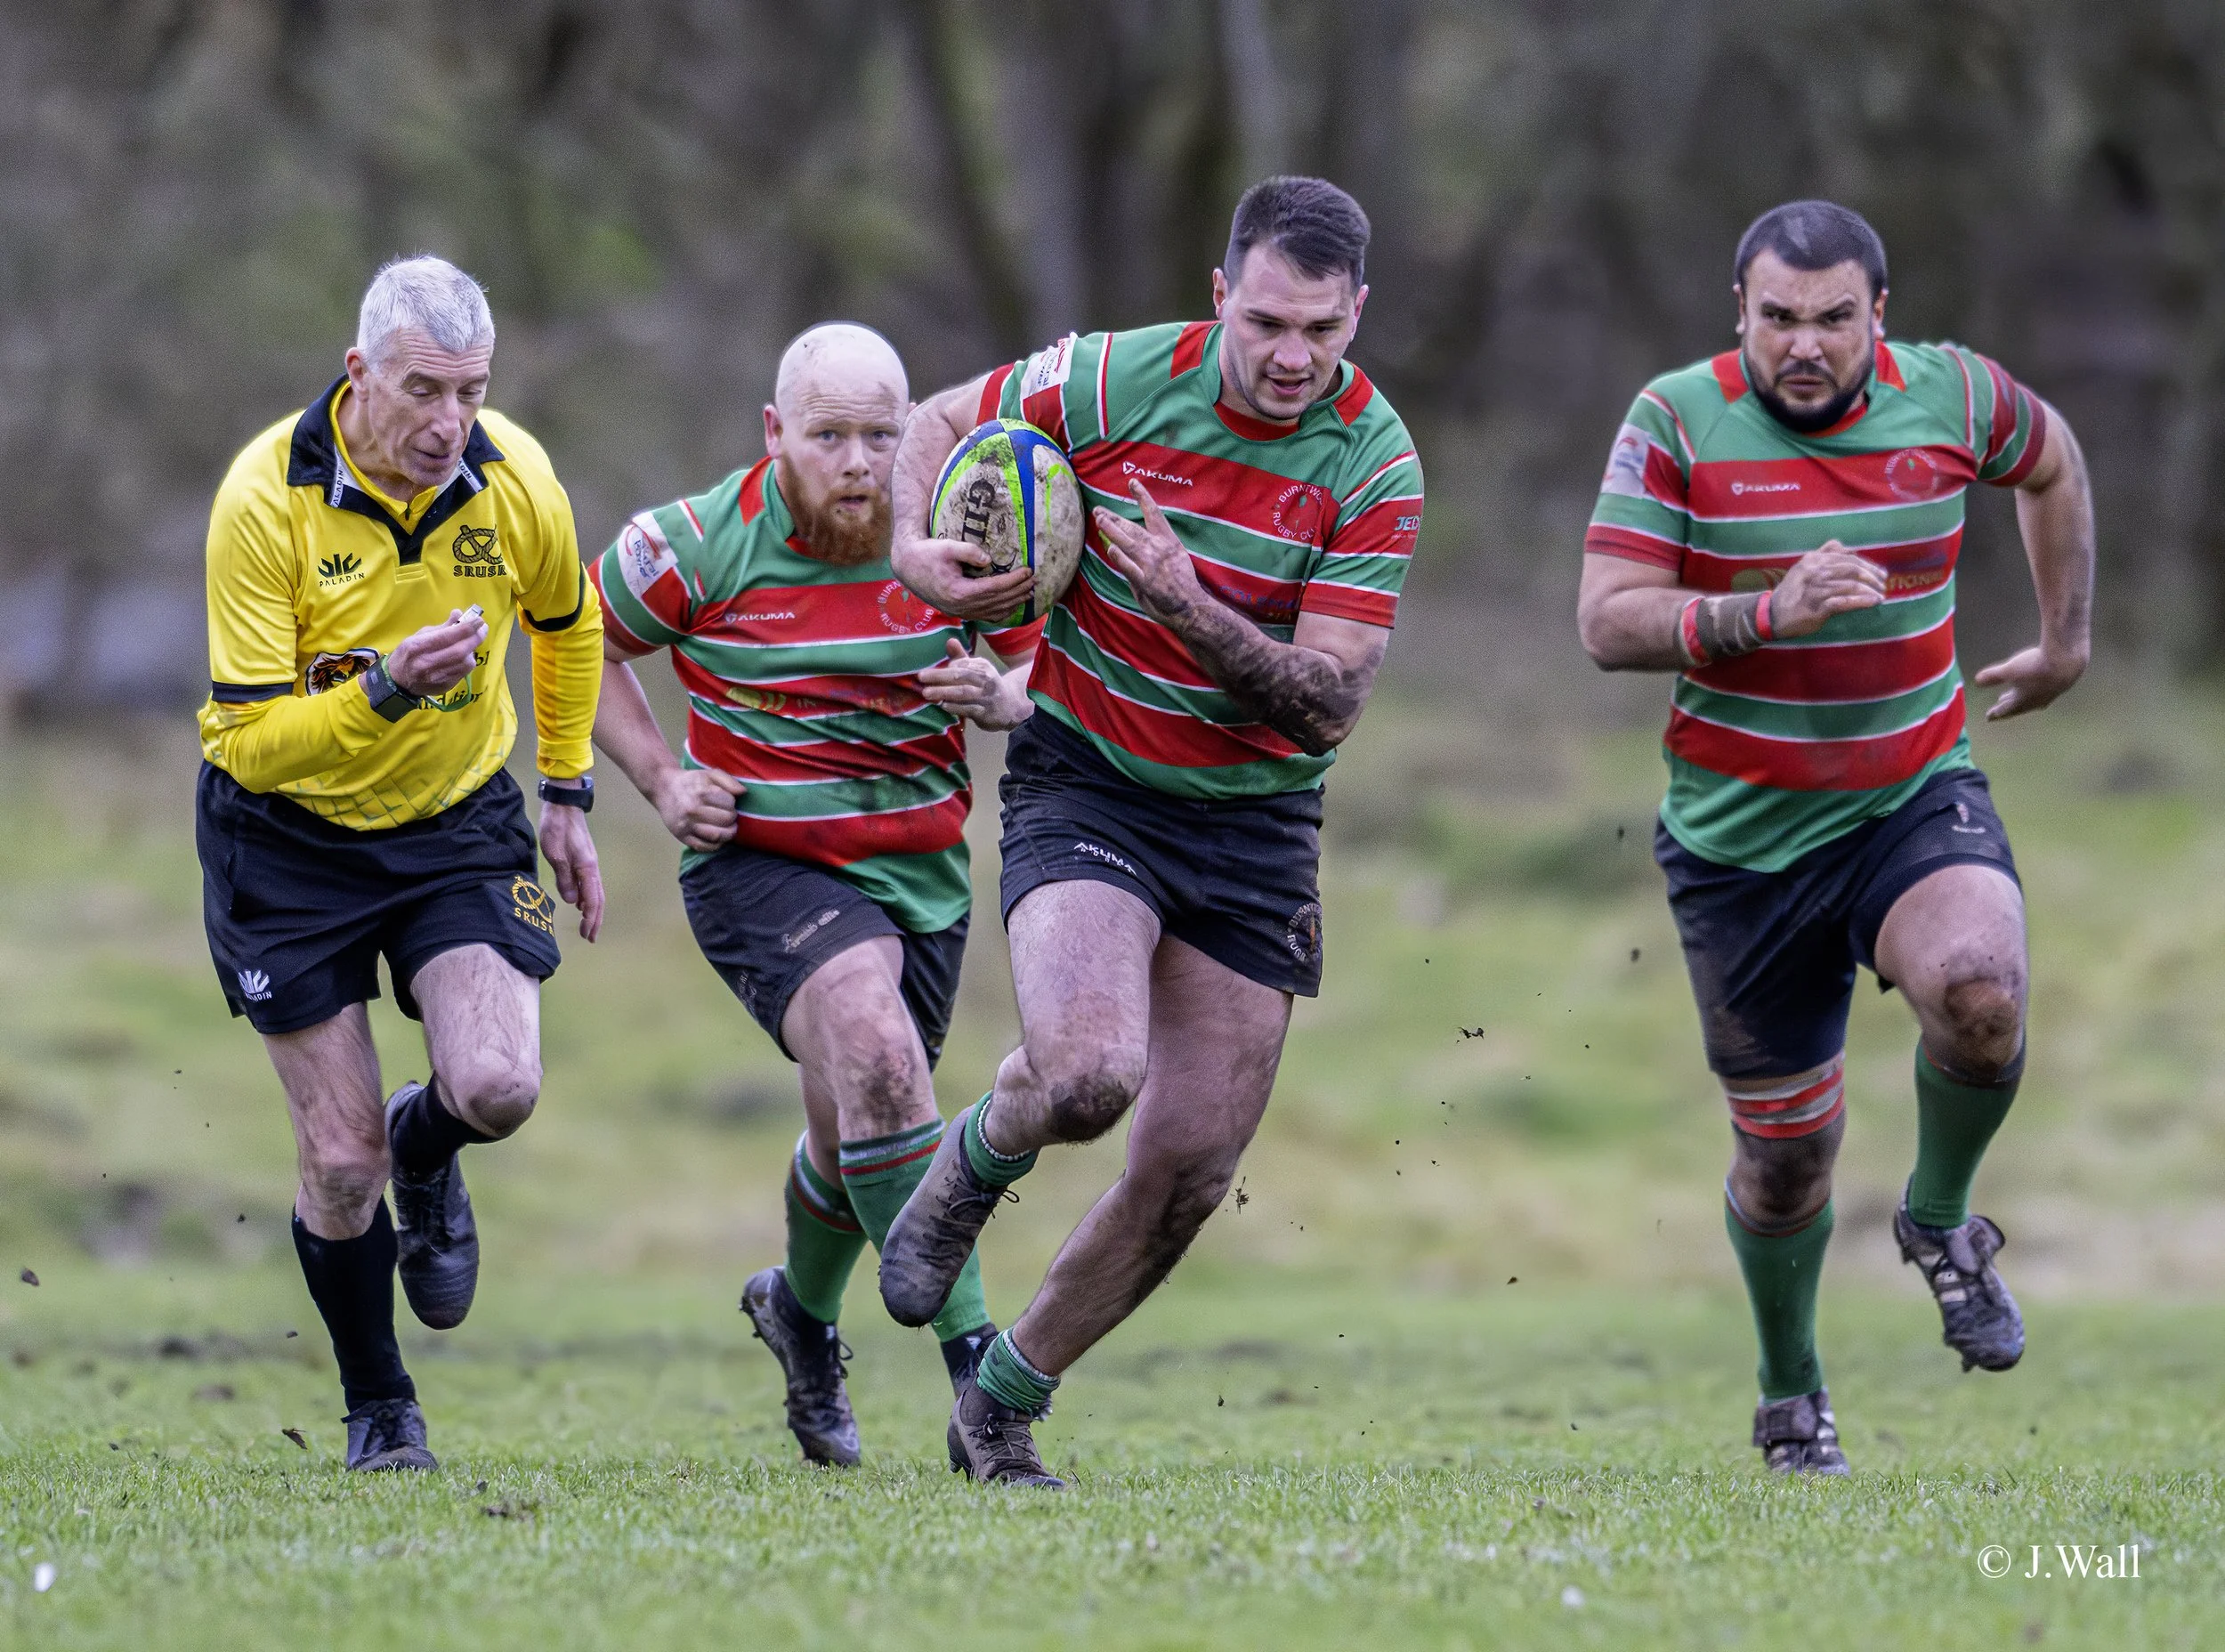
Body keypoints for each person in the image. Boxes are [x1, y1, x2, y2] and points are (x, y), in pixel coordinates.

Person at [874, 176, 1423, 1486]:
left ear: (1357, 314)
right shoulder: (1109, 381)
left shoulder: (1374, 461)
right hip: (1092, 777)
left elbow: (1327, 703)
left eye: (1321, 331)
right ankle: (973, 1161)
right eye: (1267, 323)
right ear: (1222, 295)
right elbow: (939, 420)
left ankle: (1002, 1402)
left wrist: (1187, 605)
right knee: (1086, 1075)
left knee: (1188, 1166)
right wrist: (909, 544)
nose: (1291, 357)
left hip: (1257, 821)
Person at [1576, 199, 2094, 1473]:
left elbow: (2054, 461)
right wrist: (1764, 611)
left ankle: (1938, 1219)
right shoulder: (1673, 419)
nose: (1803, 344)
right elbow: (1606, 619)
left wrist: (2065, 639)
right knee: (1787, 1163)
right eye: (1778, 318)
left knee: (1981, 992)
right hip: (1738, 842)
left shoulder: (1954, 397)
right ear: (1739, 312)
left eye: (1832, 319)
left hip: (1908, 792)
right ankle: (1790, 1395)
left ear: (1880, 315)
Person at [589, 323, 1042, 1466]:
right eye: (827, 435)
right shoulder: (693, 545)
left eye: (880, 437)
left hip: (921, 877)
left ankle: (798, 1311)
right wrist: (661, 780)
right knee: (878, 1056)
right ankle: (979, 1377)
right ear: (774, 431)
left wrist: (1005, 694)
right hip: (760, 864)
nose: (856, 462)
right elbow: (572, 641)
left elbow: (1043, 655)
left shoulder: (962, 529)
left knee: (861, 1132)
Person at [197, 255, 605, 1470]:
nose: (449, 422)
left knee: (499, 1087)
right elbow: (246, 743)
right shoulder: (264, 499)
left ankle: (426, 1151)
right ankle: (380, 1406)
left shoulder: (514, 476)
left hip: (456, 823)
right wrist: (382, 688)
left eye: (472, 391)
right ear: (358, 371)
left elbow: (568, 620)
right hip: (286, 839)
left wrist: (569, 789)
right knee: (339, 1160)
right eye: (424, 390)